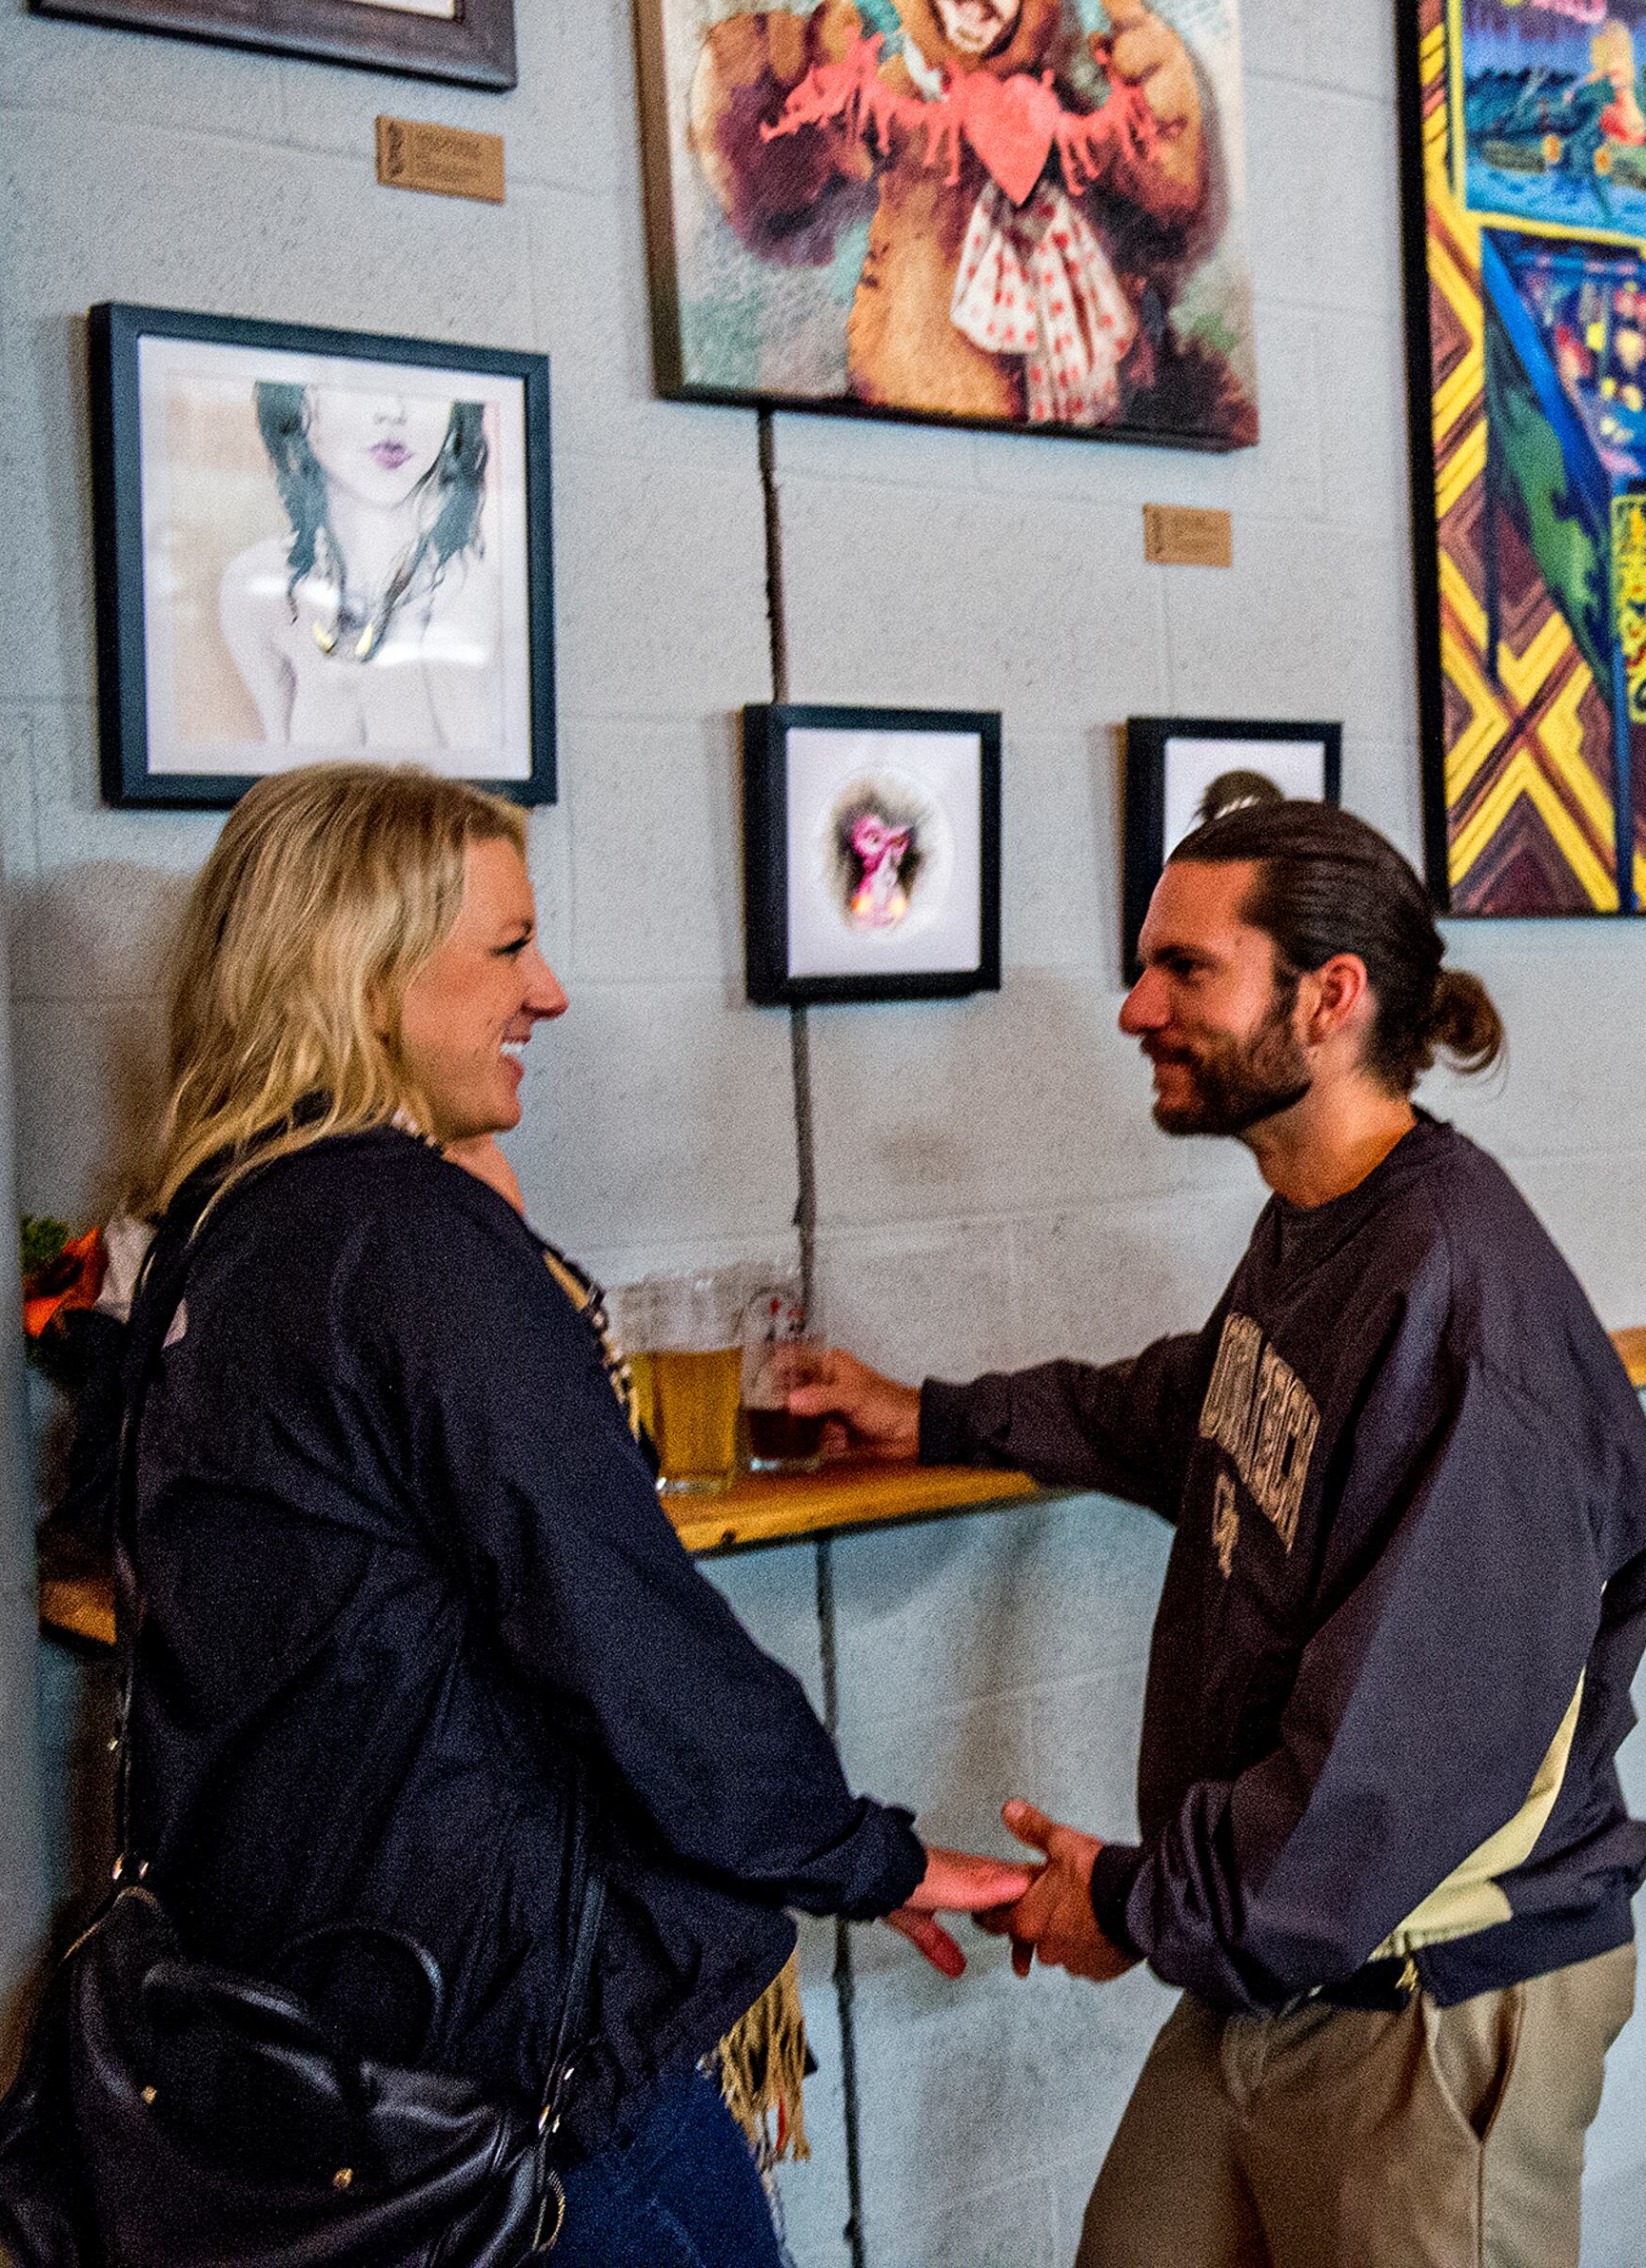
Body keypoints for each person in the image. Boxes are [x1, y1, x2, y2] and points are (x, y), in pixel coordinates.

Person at [111, 762, 1028, 2265]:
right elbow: (617, 1626)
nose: (546, 992)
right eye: (504, 948)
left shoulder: (219, 1233)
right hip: (512, 2068)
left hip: (314, 2057)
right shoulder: (408, 1241)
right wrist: (867, 1854)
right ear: (365, 973)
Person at [790, 800, 1646, 2268]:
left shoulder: (1460, 1311)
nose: (1136, 1008)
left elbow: (1375, 1785)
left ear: (1329, 1000)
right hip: (1274, 1962)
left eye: (1184, 972)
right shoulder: (1326, 1216)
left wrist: (1134, 1902)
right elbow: (1203, 1407)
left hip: (1429, 2005)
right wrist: (937, 1415)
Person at [216, 382, 510, 759]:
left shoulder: (475, 590)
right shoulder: (257, 585)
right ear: (293, 400)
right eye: (356, 385)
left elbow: (490, 787)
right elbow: (276, 780)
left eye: (424, 388)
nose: (394, 411)